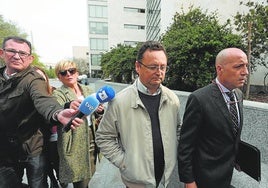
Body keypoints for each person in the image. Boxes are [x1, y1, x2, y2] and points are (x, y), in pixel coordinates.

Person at [0, 36, 84, 188]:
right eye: (12, 51)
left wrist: (58, 113)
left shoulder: (33, 79)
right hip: (5, 150)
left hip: (32, 147)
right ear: (2, 53)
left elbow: (44, 100)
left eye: (22, 53)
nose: (17, 56)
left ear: (30, 58)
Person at [95, 40, 181, 188]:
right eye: (153, 67)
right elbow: (103, 137)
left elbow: (178, 130)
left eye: (163, 67)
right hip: (135, 182)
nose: (159, 71)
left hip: (164, 179)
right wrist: (125, 163)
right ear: (138, 66)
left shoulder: (172, 99)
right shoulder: (119, 101)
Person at [177, 48, 249, 188]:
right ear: (220, 69)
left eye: (246, 66)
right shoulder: (199, 99)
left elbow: (231, 134)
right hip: (204, 179)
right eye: (238, 66)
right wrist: (189, 181)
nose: (245, 71)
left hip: (227, 176)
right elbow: (185, 146)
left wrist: (240, 159)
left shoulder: (238, 95)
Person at [53, 60, 104, 188]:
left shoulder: (88, 90)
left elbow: (96, 115)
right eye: (64, 73)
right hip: (74, 141)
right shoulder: (58, 93)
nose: (69, 74)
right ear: (59, 77)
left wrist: (99, 111)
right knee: (80, 181)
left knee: (91, 176)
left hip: (92, 138)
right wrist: (67, 106)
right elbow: (57, 109)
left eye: (72, 71)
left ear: (77, 73)